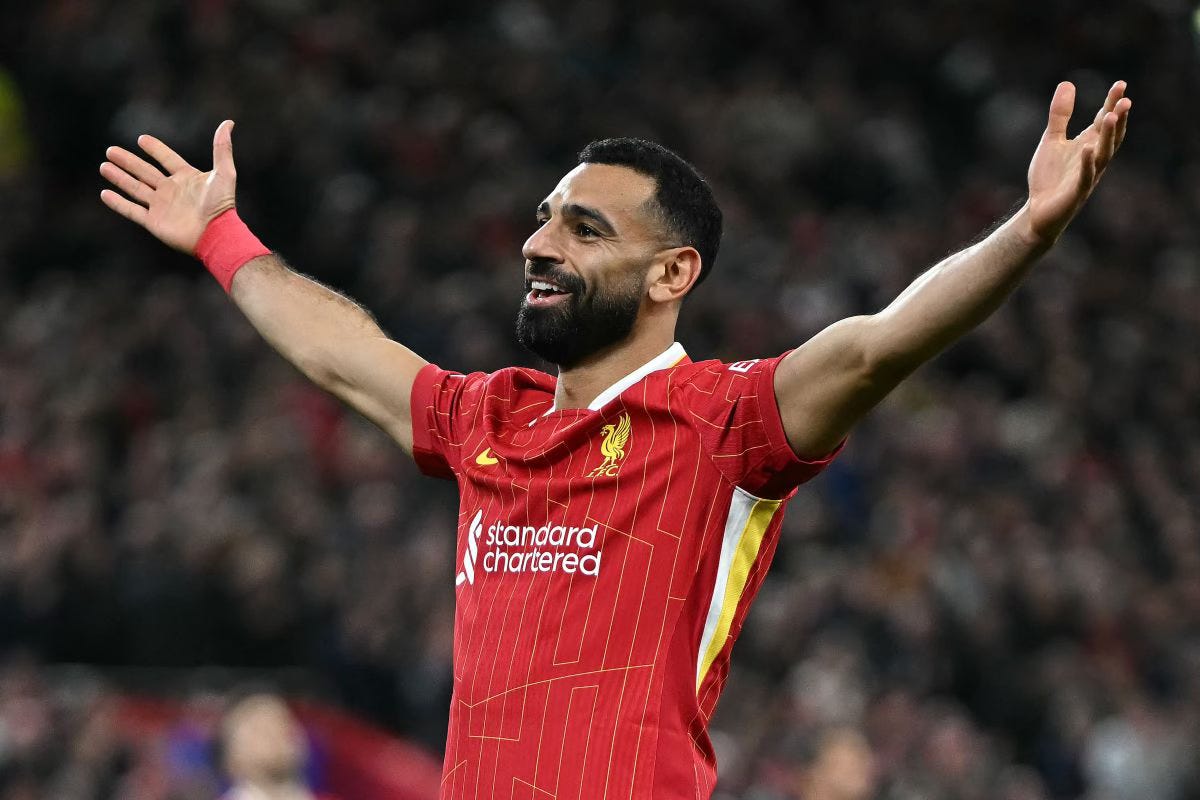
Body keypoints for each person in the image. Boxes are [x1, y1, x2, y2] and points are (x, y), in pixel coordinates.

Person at [99, 79, 1130, 799]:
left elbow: (875, 347)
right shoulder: (488, 418)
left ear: (673, 273)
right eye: (546, 217)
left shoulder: (724, 423)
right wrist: (222, 236)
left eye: (584, 230)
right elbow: (342, 353)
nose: (537, 243)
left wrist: (1027, 231)